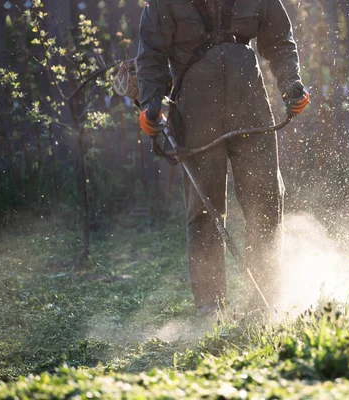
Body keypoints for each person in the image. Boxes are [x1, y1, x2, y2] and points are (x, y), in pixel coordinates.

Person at [136, 0, 309, 316]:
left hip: (251, 106)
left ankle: (265, 300)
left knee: (266, 200)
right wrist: (151, 103)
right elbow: (151, 54)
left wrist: (291, 86)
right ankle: (210, 304)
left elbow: (279, 40)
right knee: (205, 211)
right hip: (196, 111)